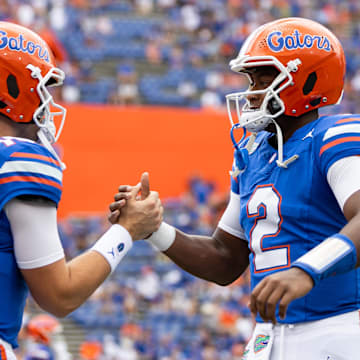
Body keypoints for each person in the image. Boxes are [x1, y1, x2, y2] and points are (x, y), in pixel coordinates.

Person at [111, 17, 360, 359]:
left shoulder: (334, 136)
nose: (252, 90)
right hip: (265, 338)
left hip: (336, 328)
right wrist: (154, 230)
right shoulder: (253, 153)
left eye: (265, 76)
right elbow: (225, 260)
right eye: (250, 78)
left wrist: (307, 270)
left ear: (309, 79)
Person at [0, 21, 162, 359]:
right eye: (42, 88)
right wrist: (127, 231)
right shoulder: (19, 158)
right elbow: (60, 295)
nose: (47, 103)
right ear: (12, 86)